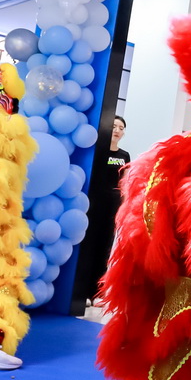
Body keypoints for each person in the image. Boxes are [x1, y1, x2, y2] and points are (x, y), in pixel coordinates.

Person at [73, 114, 130, 309]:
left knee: (105, 248)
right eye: (114, 126)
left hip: (112, 206)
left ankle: (97, 293)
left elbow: (124, 182)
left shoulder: (124, 156)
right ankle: (81, 293)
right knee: (88, 246)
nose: (117, 130)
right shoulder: (97, 151)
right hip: (93, 204)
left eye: (121, 128)